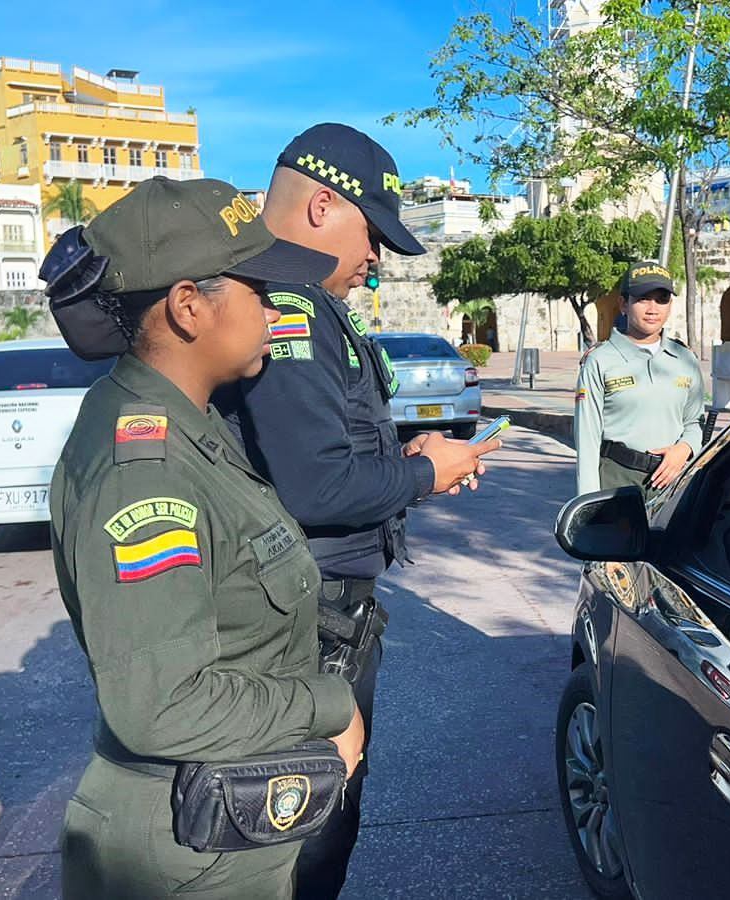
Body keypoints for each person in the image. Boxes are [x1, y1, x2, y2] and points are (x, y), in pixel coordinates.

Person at [45, 177, 364, 898]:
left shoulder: (183, 421)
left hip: (225, 823)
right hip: (190, 855)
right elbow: (164, 703)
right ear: (190, 305)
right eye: (259, 289)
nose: (277, 308)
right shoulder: (146, 469)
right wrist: (328, 707)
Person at [214, 123, 497, 899]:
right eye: (372, 234)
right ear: (321, 207)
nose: (375, 257)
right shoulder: (289, 310)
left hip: (315, 614)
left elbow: (326, 446)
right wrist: (421, 474)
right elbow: (315, 487)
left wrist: (420, 458)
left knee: (313, 827)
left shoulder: (287, 299)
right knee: (305, 834)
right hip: (302, 623)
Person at [574, 262, 706, 496]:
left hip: (672, 480)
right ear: (624, 304)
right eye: (643, 299)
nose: (653, 308)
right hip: (617, 479)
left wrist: (684, 449)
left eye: (661, 299)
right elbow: (587, 437)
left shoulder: (685, 359)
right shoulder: (600, 360)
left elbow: (694, 422)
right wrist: (588, 503)